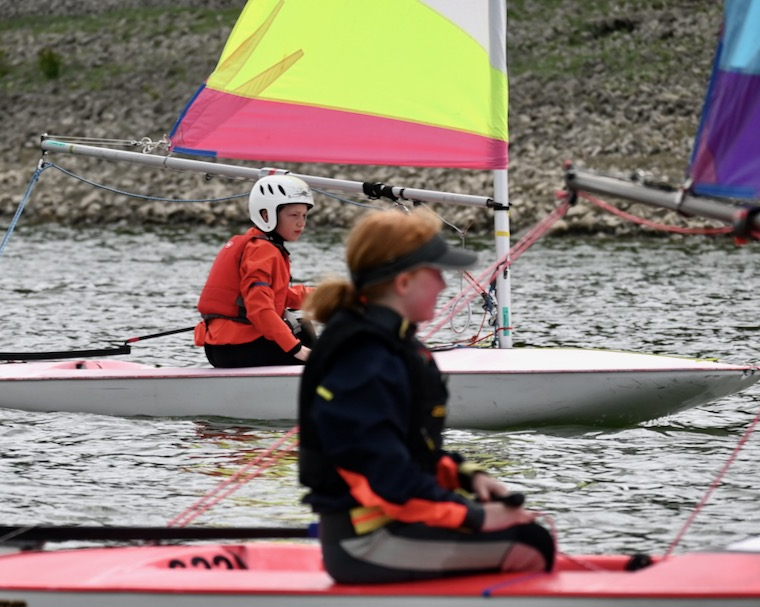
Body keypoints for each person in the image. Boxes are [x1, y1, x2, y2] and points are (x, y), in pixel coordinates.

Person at [298, 209, 556, 584]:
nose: (444, 284)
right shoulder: (363, 357)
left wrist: (468, 478)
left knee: (522, 532)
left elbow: (408, 452)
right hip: (365, 542)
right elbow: (385, 480)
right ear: (404, 282)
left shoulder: (389, 345)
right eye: (435, 273)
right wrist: (477, 517)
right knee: (531, 544)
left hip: (393, 524)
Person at [194, 175, 316, 368]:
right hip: (239, 348)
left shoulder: (257, 245)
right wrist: (297, 349)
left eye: (304, 215)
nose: (301, 223)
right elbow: (259, 307)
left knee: (302, 327)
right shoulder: (262, 250)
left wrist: (333, 296)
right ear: (266, 215)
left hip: (221, 348)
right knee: (306, 335)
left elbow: (279, 295)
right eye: (294, 215)